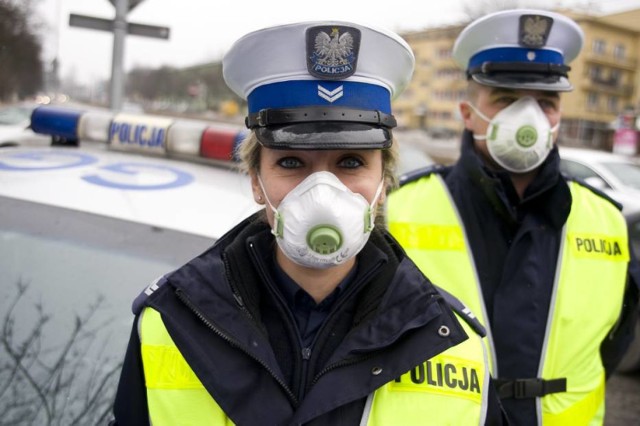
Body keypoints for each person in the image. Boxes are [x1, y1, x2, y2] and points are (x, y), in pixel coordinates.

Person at [110, 20, 508, 425]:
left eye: (351, 162)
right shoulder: (171, 323)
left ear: (384, 183)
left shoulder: (457, 346)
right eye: (291, 162)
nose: (323, 191)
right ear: (256, 182)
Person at [386, 9, 640, 426]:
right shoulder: (400, 210)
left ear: (558, 117)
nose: (530, 119)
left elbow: (615, 340)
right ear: (468, 112)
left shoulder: (605, 219)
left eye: (545, 102)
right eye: (506, 99)